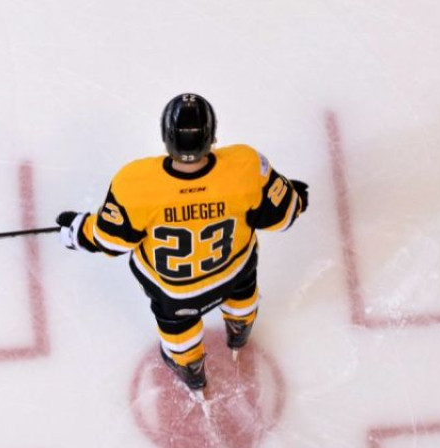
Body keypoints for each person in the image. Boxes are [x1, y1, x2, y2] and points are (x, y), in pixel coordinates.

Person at [56, 93, 308, 391]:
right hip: (235, 270)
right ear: (212, 136)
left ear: (165, 137)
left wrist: (76, 231)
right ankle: (239, 328)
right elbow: (282, 216)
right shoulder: (246, 165)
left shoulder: (134, 183)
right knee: (243, 293)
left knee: (177, 328)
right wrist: (296, 196)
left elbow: (110, 240)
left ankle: (189, 366)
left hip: (176, 291)